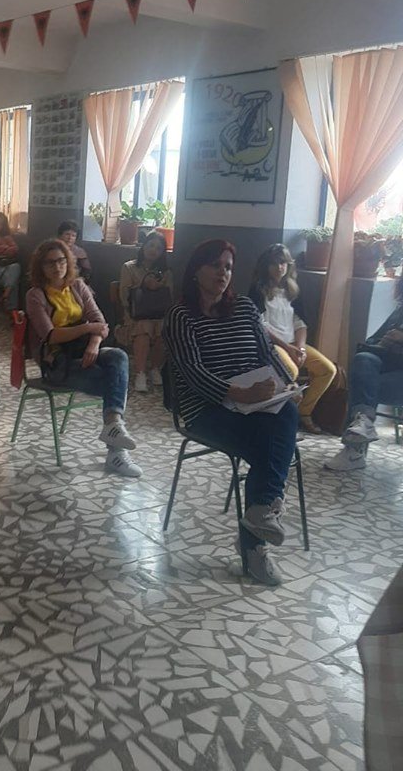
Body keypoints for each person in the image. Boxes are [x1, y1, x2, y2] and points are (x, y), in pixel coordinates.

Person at [165, 239, 299, 587]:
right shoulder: (181, 315)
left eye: (228, 267)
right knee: (268, 446)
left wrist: (284, 384)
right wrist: (237, 393)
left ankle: (259, 515)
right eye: (215, 265)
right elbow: (192, 373)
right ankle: (255, 540)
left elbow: (266, 354)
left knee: (286, 413)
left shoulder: (243, 307)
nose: (223, 273)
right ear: (196, 271)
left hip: (254, 403)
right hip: (206, 407)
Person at [26, 238, 142, 478]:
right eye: (49, 263)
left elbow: (101, 323)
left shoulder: (78, 286)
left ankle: (113, 428)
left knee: (118, 357)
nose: (57, 266)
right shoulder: (35, 295)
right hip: (57, 362)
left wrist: (94, 343)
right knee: (113, 381)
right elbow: (51, 335)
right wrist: (87, 329)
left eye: (61, 261)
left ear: (68, 262)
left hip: (85, 352)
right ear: (41, 267)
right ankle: (116, 453)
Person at [249, 243, 336, 433]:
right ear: (266, 265)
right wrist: (288, 348)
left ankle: (304, 412)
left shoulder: (293, 290)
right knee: (291, 371)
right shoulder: (258, 290)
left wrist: (301, 348)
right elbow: (260, 326)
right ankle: (285, 418)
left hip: (293, 343)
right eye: (274, 263)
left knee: (328, 370)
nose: (279, 267)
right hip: (272, 345)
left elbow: (300, 322)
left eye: (283, 263)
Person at [325, 276, 403, 471]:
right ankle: (364, 422)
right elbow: (370, 342)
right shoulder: (399, 311)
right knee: (364, 360)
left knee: (364, 383)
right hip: (387, 370)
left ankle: (354, 451)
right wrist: (384, 342)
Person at [116, 232, 172, 392]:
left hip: (158, 314)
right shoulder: (129, 267)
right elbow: (124, 296)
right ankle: (140, 373)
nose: (154, 250)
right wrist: (143, 284)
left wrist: (159, 287)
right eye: (151, 245)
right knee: (144, 326)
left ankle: (155, 368)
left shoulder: (166, 272)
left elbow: (169, 297)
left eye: (159, 248)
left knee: (164, 327)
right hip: (134, 315)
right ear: (144, 246)